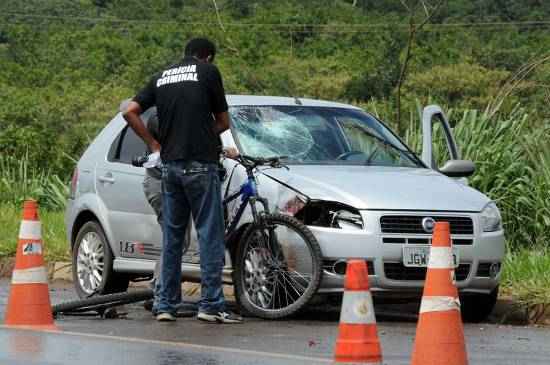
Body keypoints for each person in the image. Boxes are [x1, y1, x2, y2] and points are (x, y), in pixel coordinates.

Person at [123, 38, 242, 323]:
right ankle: (211, 306)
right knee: (209, 236)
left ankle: (165, 305)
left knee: (173, 238)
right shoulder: (208, 73)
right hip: (201, 165)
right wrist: (203, 134)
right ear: (208, 58)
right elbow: (223, 122)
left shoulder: (162, 76)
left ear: (185, 54)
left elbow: (129, 110)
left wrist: (154, 145)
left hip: (170, 167)